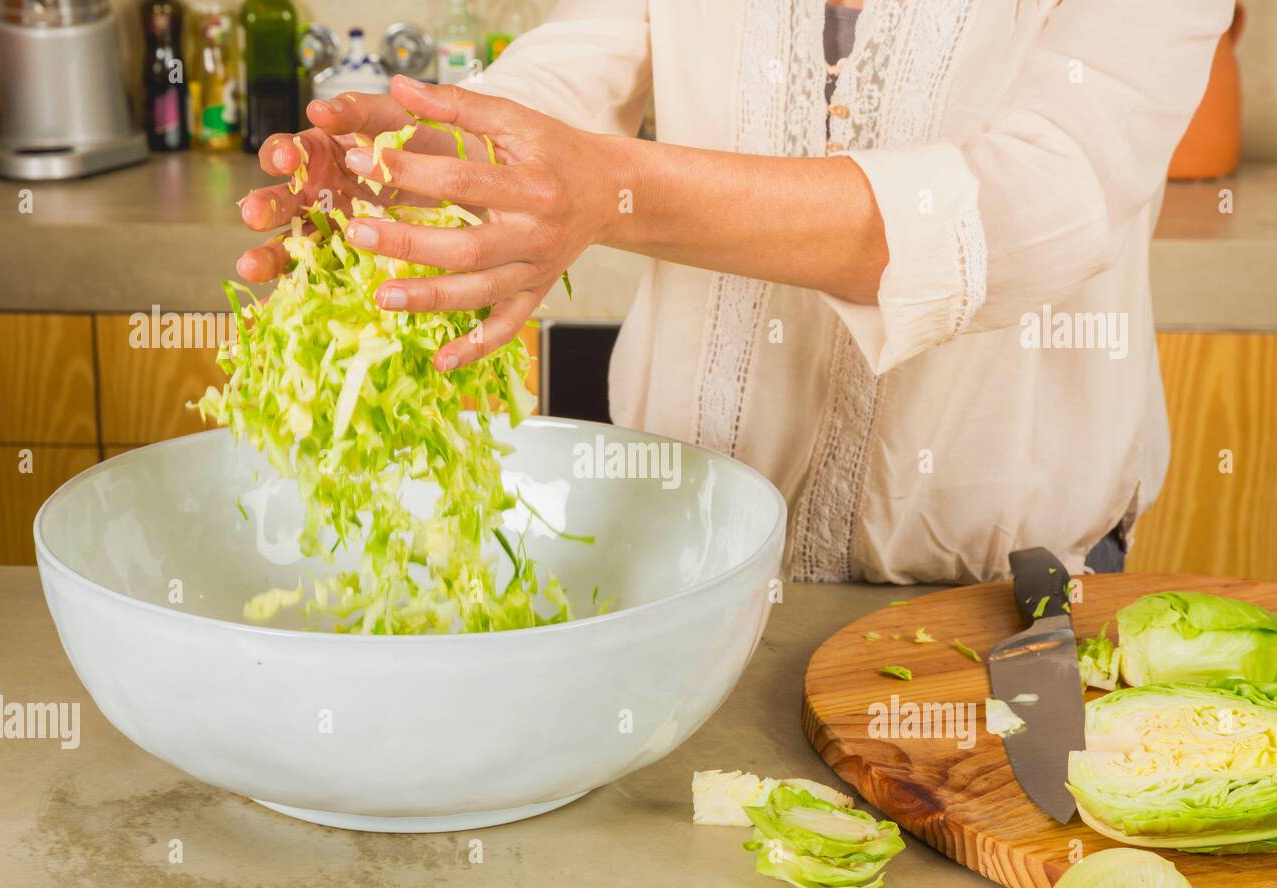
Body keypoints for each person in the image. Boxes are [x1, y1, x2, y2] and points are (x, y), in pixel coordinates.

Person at [234, 0, 1234, 585]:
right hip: (687, 569)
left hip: (995, 605)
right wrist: (429, 161)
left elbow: (1044, 200)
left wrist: (614, 193)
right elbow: (574, 70)